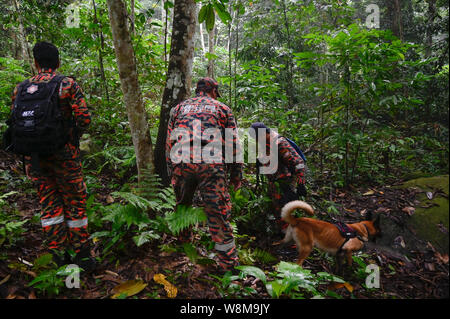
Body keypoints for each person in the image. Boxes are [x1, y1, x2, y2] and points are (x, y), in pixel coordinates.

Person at [10, 42, 94, 270]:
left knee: (49, 204)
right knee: (75, 201)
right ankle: (81, 255)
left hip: (35, 158)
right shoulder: (66, 84)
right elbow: (85, 119)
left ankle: (57, 252)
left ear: (35, 63)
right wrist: (69, 134)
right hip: (64, 155)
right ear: (58, 62)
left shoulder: (21, 88)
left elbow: (16, 123)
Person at [166, 77, 242, 273]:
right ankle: (228, 264)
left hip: (181, 161)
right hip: (211, 163)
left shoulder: (178, 109)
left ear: (197, 90)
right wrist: (236, 174)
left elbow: (169, 142)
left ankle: (183, 248)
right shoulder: (222, 109)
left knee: (183, 205)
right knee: (217, 213)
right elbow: (233, 144)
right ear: (214, 91)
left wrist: (171, 170)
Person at [249, 122, 307, 233]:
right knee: (278, 209)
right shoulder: (266, 141)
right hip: (275, 181)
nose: (256, 141)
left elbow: (298, 163)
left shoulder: (279, 143)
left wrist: (301, 183)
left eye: (256, 138)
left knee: (286, 209)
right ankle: (285, 235)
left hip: (285, 182)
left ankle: (292, 240)